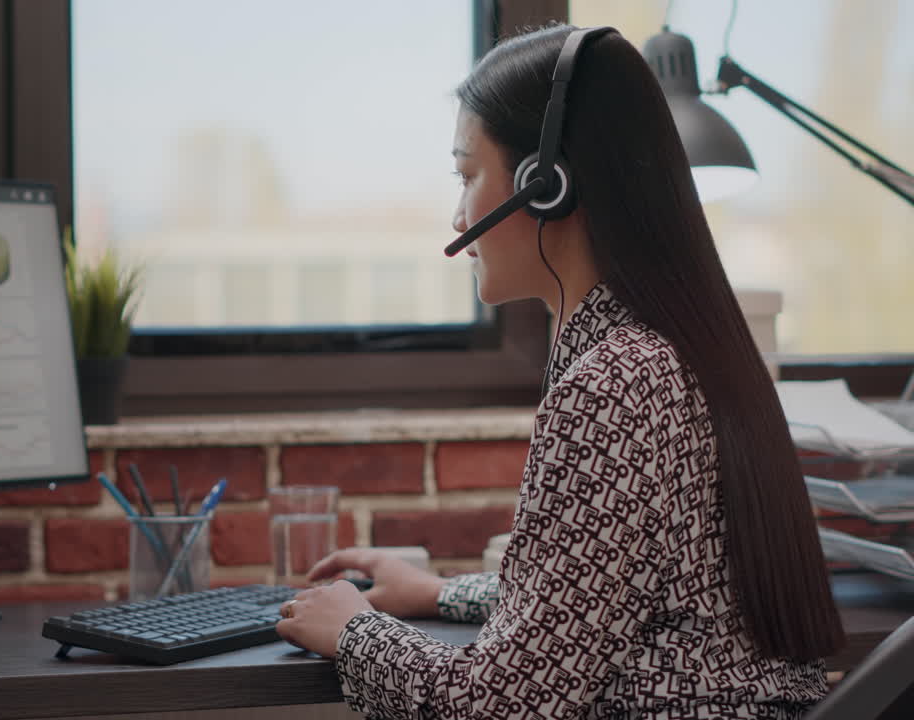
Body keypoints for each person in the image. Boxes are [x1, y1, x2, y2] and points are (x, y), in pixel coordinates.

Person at [274, 23, 843, 720]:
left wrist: (354, 631)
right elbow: (607, 598)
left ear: (545, 184)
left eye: (466, 174)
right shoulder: (677, 349)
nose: (457, 212)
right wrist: (440, 593)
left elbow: (506, 705)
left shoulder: (615, 384)